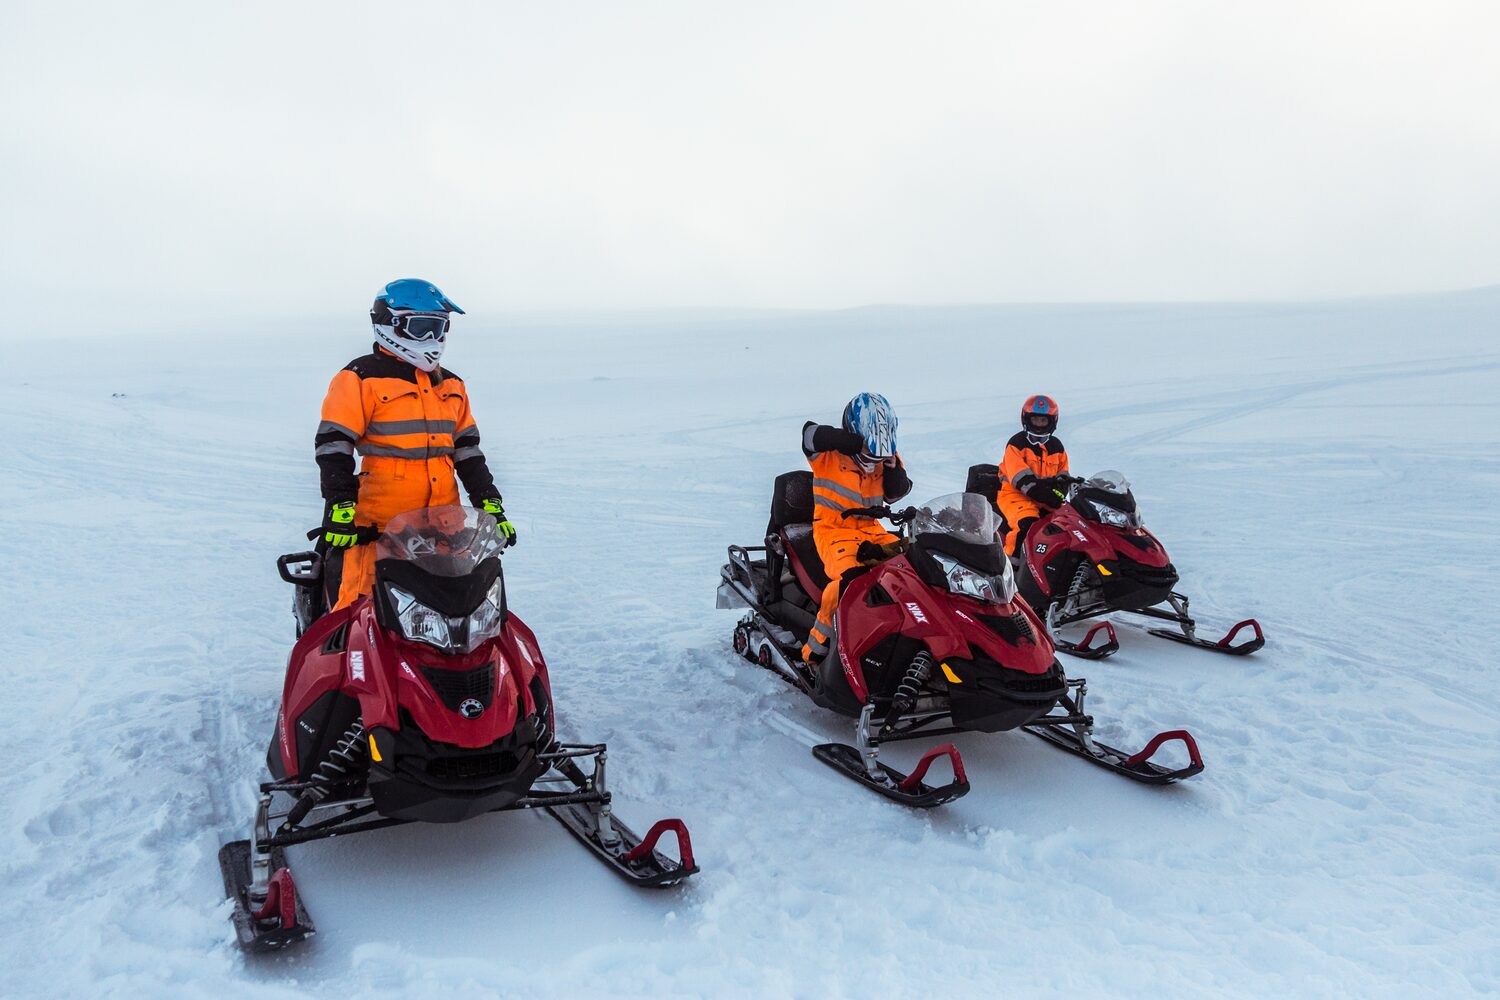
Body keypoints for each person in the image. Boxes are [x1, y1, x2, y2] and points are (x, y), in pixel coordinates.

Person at [314, 278, 517, 611]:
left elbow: (467, 453)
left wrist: (490, 502)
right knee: (363, 610)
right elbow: (334, 445)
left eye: (439, 328)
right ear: (389, 324)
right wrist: (340, 504)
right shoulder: (359, 377)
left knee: (452, 610)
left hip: (445, 528)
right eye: (421, 327)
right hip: (378, 529)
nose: (432, 339)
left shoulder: (451, 385)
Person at [800, 392, 912, 664]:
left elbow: (896, 494)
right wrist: (844, 440)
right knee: (849, 583)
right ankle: (816, 651)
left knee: (913, 569)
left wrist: (893, 467)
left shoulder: (886, 455)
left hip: (873, 530)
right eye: (869, 456)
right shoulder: (828, 455)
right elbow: (809, 434)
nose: (873, 463)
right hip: (833, 531)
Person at [997, 393, 1070, 556]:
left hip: (1044, 498)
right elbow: (1020, 478)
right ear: (1026, 419)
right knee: (1026, 524)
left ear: (1052, 422)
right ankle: (1012, 566)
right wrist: (1045, 494)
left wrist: (1059, 494)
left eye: (1043, 420)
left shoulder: (1057, 447)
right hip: (1015, 496)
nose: (1039, 424)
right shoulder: (1016, 444)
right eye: (1035, 420)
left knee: (1069, 524)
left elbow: (1063, 477)